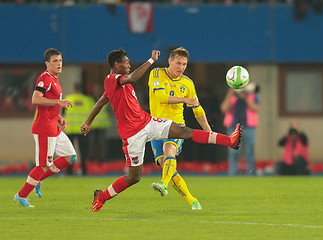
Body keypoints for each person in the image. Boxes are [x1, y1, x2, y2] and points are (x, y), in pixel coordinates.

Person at [80, 48, 242, 212]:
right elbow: (133, 79)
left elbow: (101, 101)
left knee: (184, 132)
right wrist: (150, 60)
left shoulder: (185, 82)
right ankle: (101, 196)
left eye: (184, 64)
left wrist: (87, 121)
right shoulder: (112, 79)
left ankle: (229, 141)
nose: (129, 66)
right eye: (126, 63)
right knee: (134, 177)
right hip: (131, 135)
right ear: (116, 64)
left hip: (147, 121)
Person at [148, 47, 214, 210]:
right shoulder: (156, 73)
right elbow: (161, 97)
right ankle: (192, 200)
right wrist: (185, 99)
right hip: (155, 127)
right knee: (166, 166)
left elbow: (198, 110)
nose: (181, 67)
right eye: (178, 63)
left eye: (184, 64)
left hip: (176, 125)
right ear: (169, 61)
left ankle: (162, 184)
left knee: (169, 150)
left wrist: (208, 131)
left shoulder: (188, 83)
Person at [14, 48, 77, 207]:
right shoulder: (45, 78)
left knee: (71, 156)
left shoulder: (54, 79)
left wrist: (59, 117)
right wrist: (58, 103)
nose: (59, 64)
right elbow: (35, 99)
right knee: (43, 165)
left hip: (53, 126)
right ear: (47, 63)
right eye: (55, 61)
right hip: (44, 128)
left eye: (60, 61)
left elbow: (47, 103)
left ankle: (38, 179)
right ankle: (21, 196)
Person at [220, 82, 260, 176]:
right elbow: (224, 108)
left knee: (250, 151)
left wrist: (245, 98)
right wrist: (230, 94)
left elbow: (256, 108)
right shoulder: (232, 96)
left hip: (248, 126)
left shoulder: (251, 96)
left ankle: (251, 173)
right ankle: (233, 174)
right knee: (233, 152)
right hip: (233, 127)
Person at [64, 83, 95, 175]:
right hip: (83, 130)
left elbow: (63, 113)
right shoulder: (87, 100)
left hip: (70, 129)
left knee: (69, 152)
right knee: (83, 152)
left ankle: (69, 172)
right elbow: (92, 114)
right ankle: (84, 171)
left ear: (73, 89)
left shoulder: (68, 99)